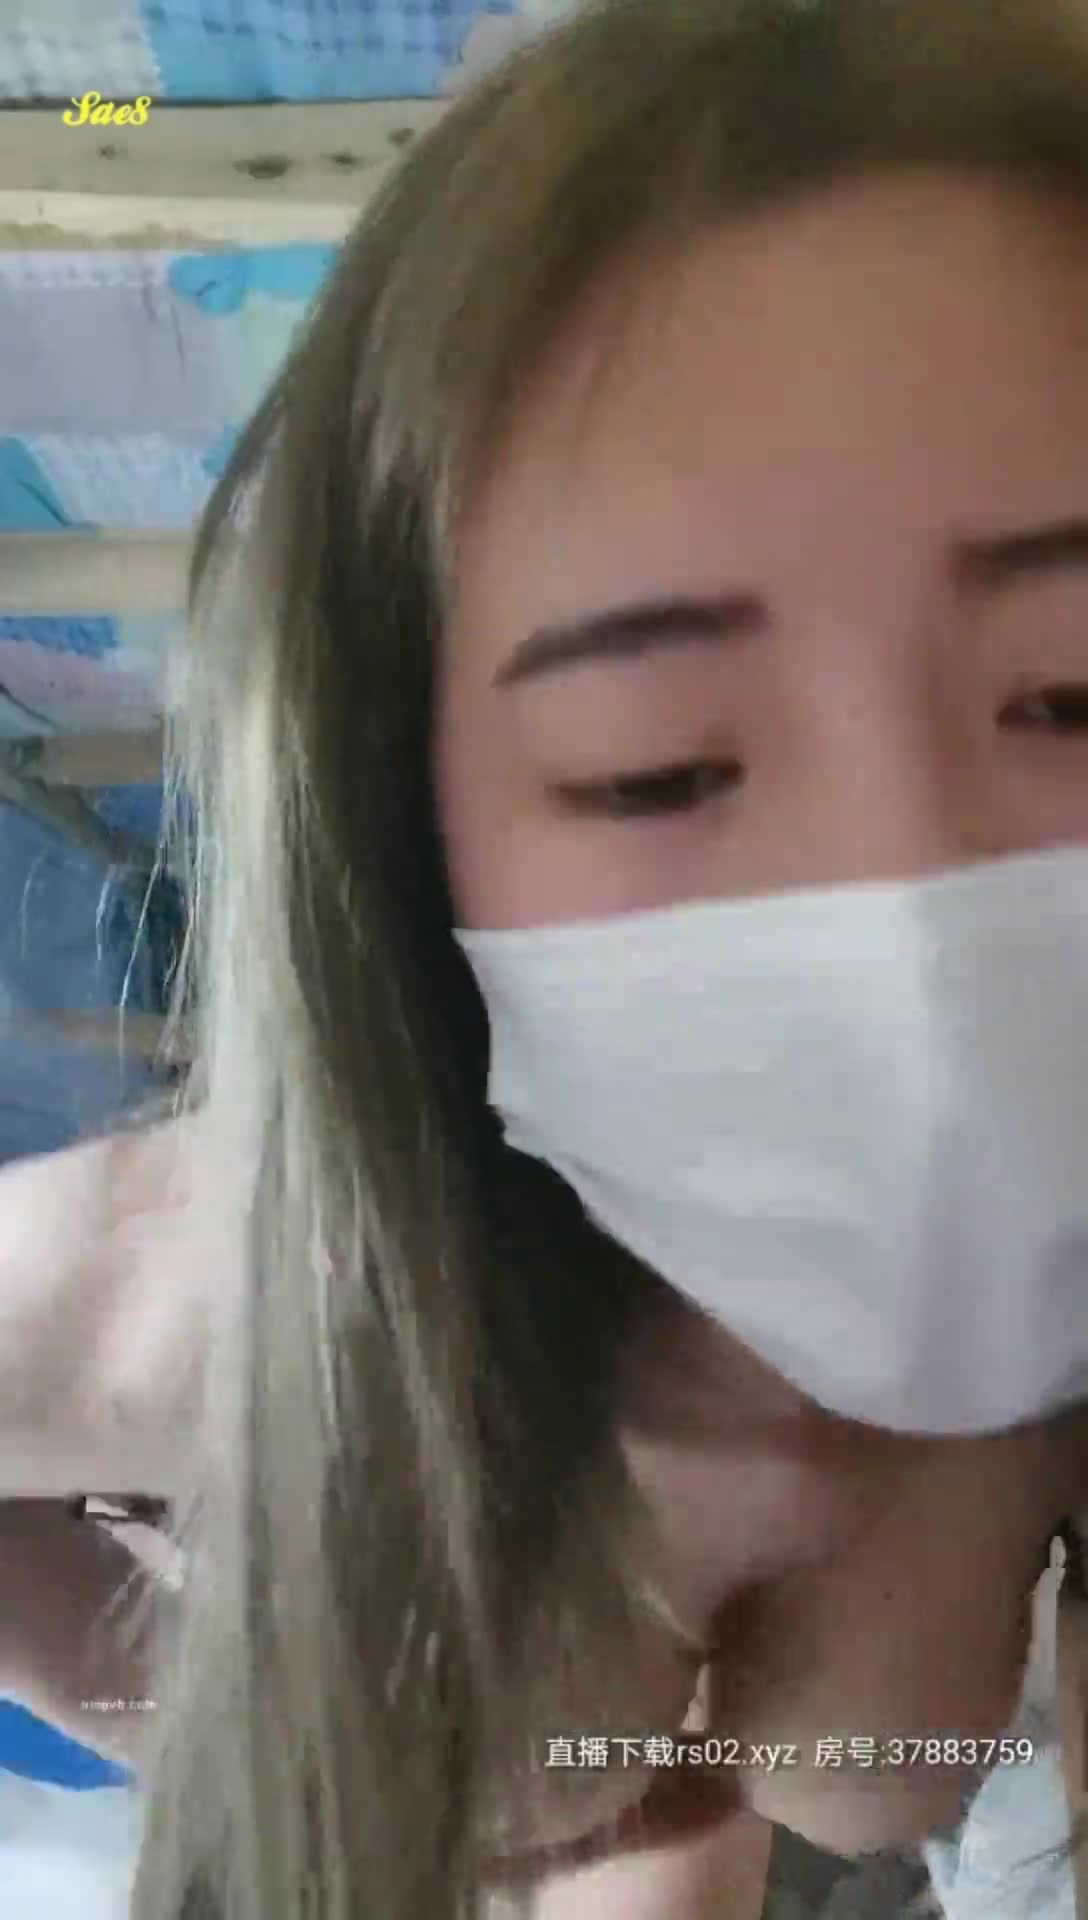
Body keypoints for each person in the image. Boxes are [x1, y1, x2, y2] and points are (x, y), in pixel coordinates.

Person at [3, 2, 1088, 1916]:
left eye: (1077, 697)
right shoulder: (193, 1297)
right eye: (652, 766)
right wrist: (224, 1722)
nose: (912, 930)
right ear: (405, 827)